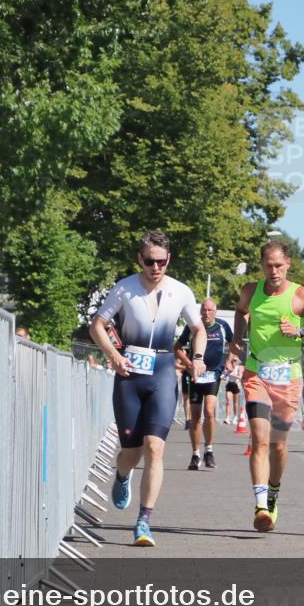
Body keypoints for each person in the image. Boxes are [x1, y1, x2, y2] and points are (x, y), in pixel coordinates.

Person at [89, 231, 206, 546]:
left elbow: (198, 329)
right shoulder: (125, 288)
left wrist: (197, 357)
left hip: (164, 373)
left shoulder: (180, 291)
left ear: (169, 260)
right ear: (139, 260)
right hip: (130, 375)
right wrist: (113, 355)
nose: (156, 267)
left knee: (155, 447)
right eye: (150, 261)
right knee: (131, 452)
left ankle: (143, 521)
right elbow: (97, 325)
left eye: (162, 261)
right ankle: (122, 475)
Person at [226, 241, 304, 532]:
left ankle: (273, 493)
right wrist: (237, 342)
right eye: (268, 265)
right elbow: (240, 311)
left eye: (278, 265)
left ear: (288, 264)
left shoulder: (301, 296)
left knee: (278, 444)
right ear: (261, 265)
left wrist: (299, 330)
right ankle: (261, 506)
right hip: (256, 372)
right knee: (259, 440)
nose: (273, 271)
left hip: (288, 377)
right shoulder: (251, 290)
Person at [176, 298, 233, 470]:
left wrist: (230, 361)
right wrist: (188, 364)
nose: (206, 314)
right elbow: (177, 347)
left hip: (213, 374)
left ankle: (209, 450)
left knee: (209, 411)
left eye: (209, 310)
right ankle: (195, 454)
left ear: (215, 312)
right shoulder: (193, 326)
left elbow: (234, 344)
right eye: (203, 310)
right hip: (195, 376)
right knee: (194, 416)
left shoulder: (222, 326)